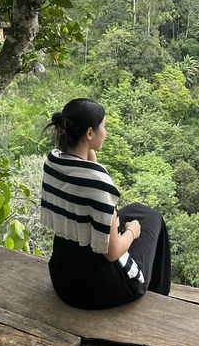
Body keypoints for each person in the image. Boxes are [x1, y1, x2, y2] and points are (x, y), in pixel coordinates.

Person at [42, 98, 171, 310]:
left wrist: (87, 146)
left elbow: (87, 168)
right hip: (98, 288)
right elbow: (112, 253)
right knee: (152, 219)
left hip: (63, 278)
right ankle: (156, 296)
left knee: (138, 210)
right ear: (89, 133)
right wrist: (131, 232)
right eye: (104, 126)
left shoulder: (53, 161)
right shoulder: (98, 184)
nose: (106, 132)